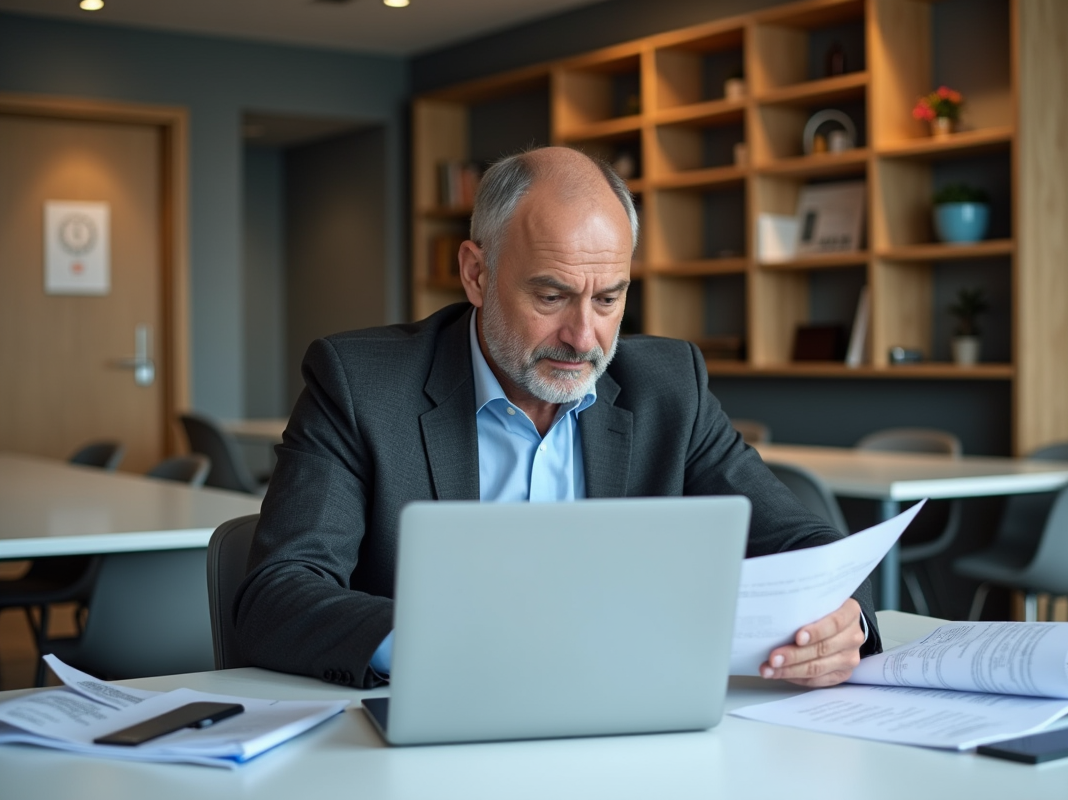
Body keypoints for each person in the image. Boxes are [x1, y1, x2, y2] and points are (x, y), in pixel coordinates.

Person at [235, 146, 881, 689]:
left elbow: (808, 548)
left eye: (609, 298)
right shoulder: (361, 385)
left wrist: (844, 619)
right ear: (476, 273)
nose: (584, 337)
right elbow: (278, 595)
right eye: (552, 295)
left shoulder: (668, 387)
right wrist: (439, 649)